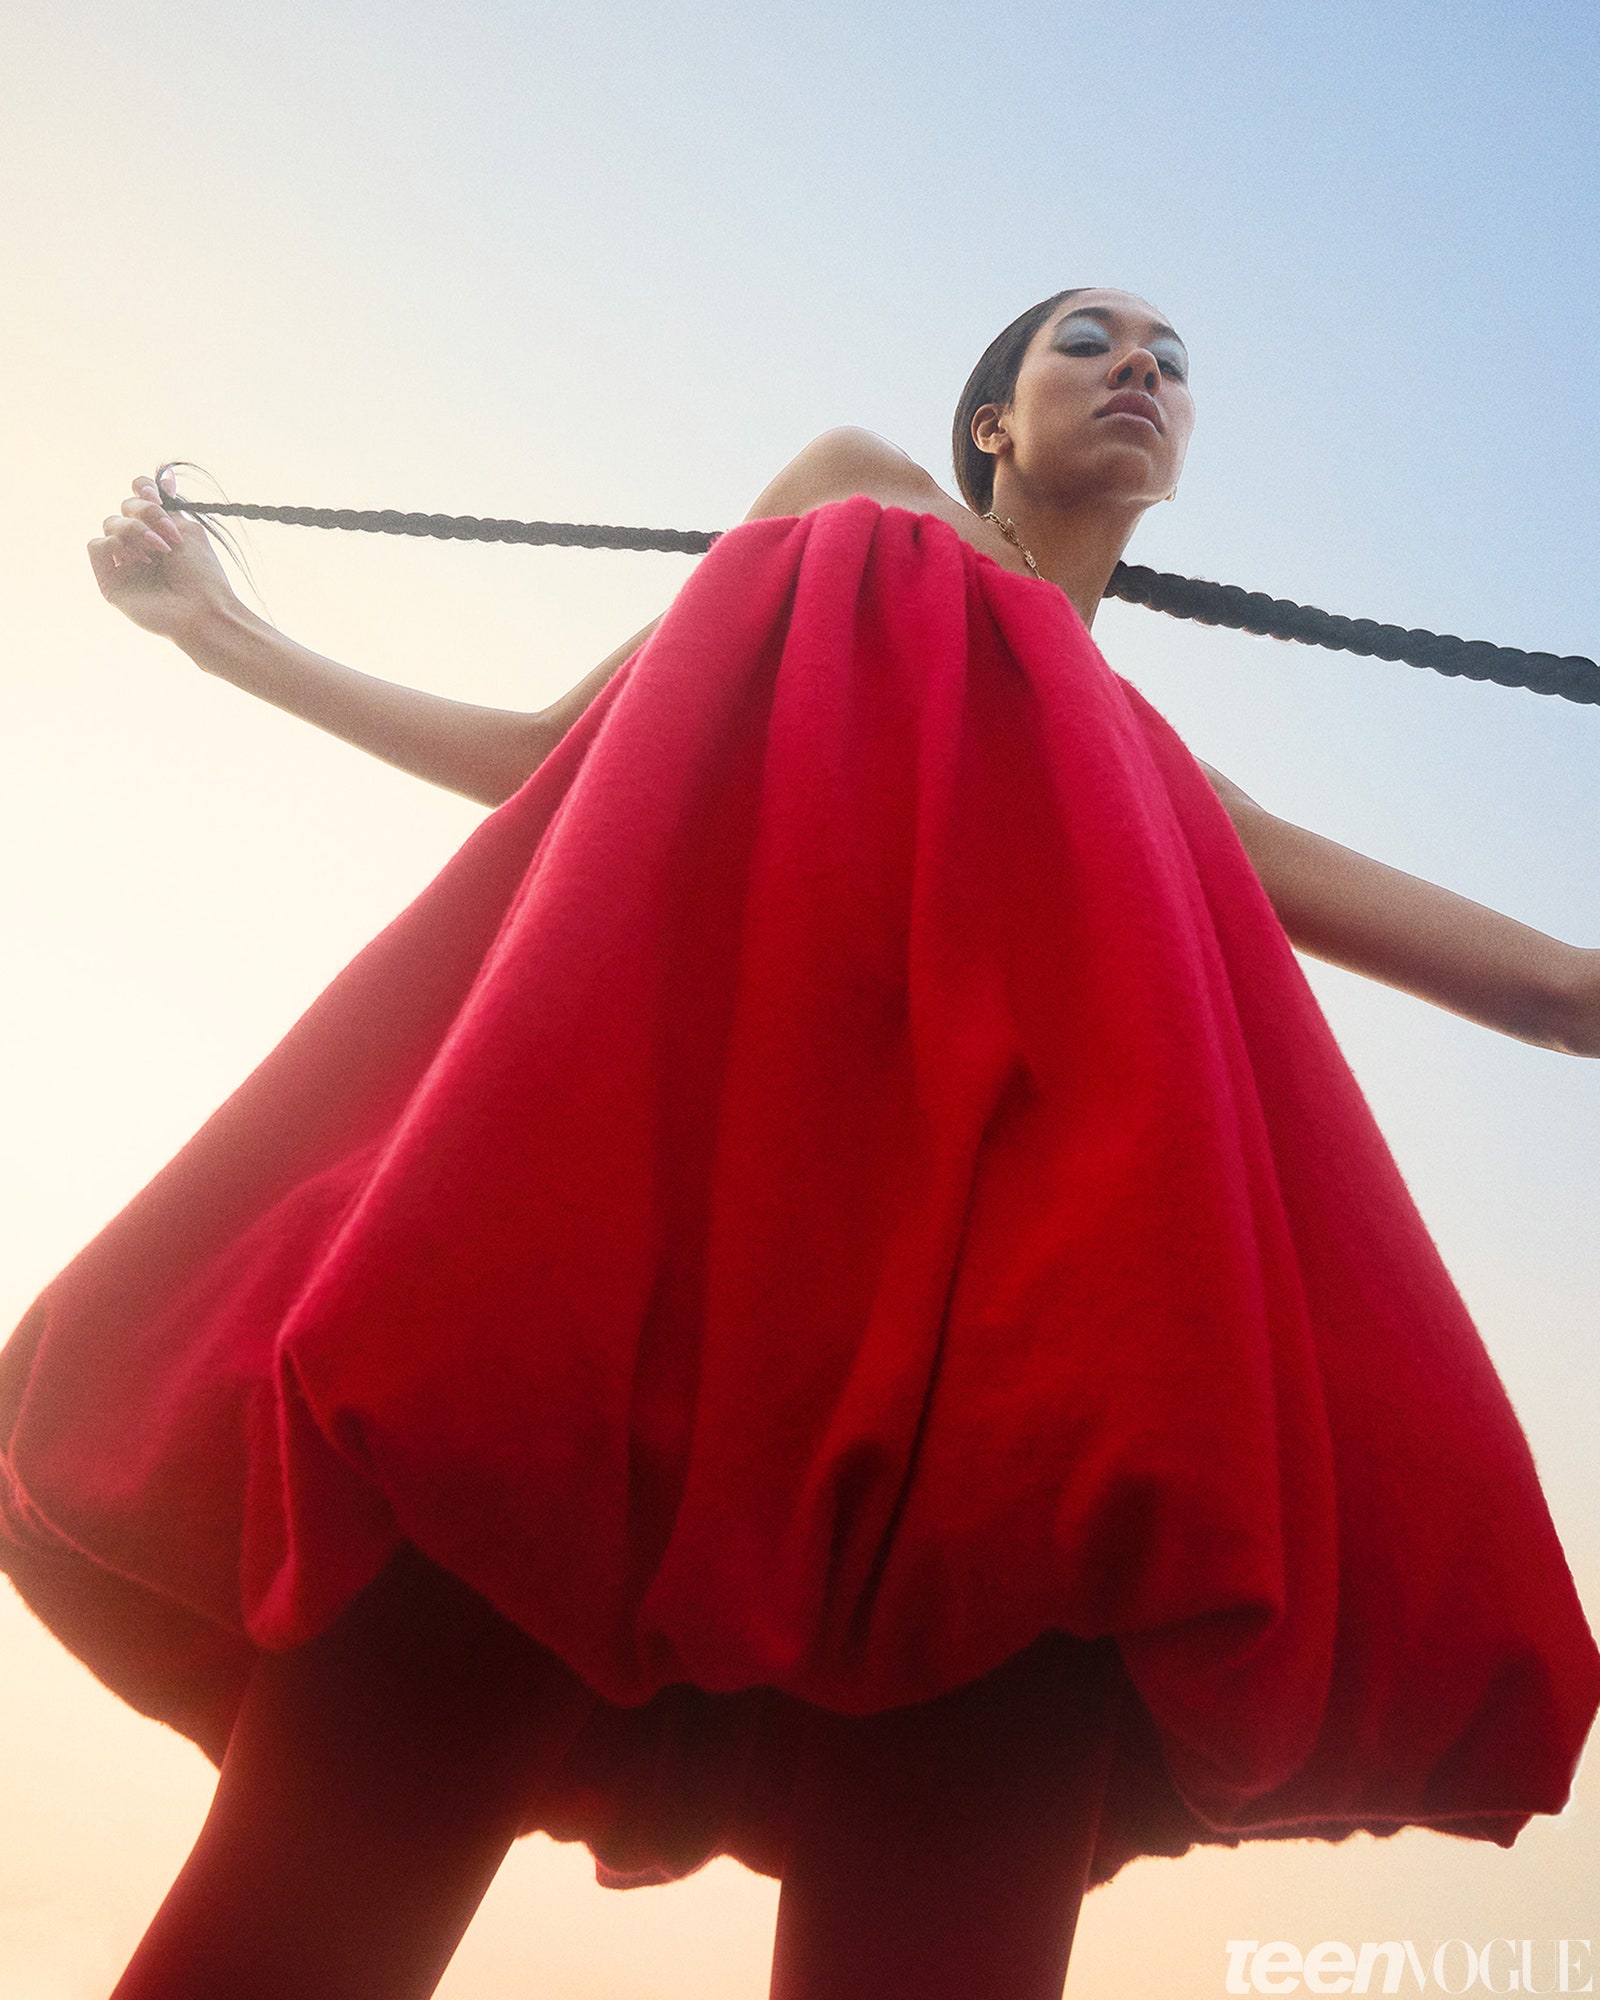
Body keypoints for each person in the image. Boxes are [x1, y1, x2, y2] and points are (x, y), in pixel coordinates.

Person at [5, 289, 1597, 2000]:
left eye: (1174, 361)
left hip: (1015, 1403)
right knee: (295, 1930)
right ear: (991, 422)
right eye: (1088, 341)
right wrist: (219, 632)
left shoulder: (1159, 775)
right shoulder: (862, 497)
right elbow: (551, 761)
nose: (1142, 366)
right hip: (631, 1316)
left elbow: (1572, 995)